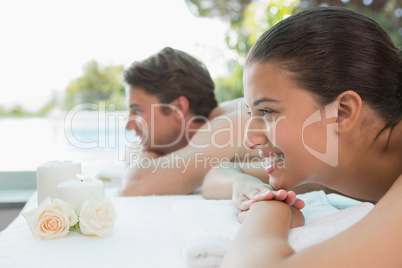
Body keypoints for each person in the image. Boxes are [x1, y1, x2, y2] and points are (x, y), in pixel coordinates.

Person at [214, 7, 402, 267]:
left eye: (267, 111)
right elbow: (219, 171)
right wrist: (245, 187)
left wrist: (268, 211)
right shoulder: (337, 159)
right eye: (251, 113)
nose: (250, 139)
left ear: (342, 112)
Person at [121, 47, 267, 196]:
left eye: (137, 110)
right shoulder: (204, 135)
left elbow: (134, 185)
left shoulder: (228, 127)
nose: (129, 125)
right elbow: (132, 154)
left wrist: (147, 158)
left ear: (178, 107)